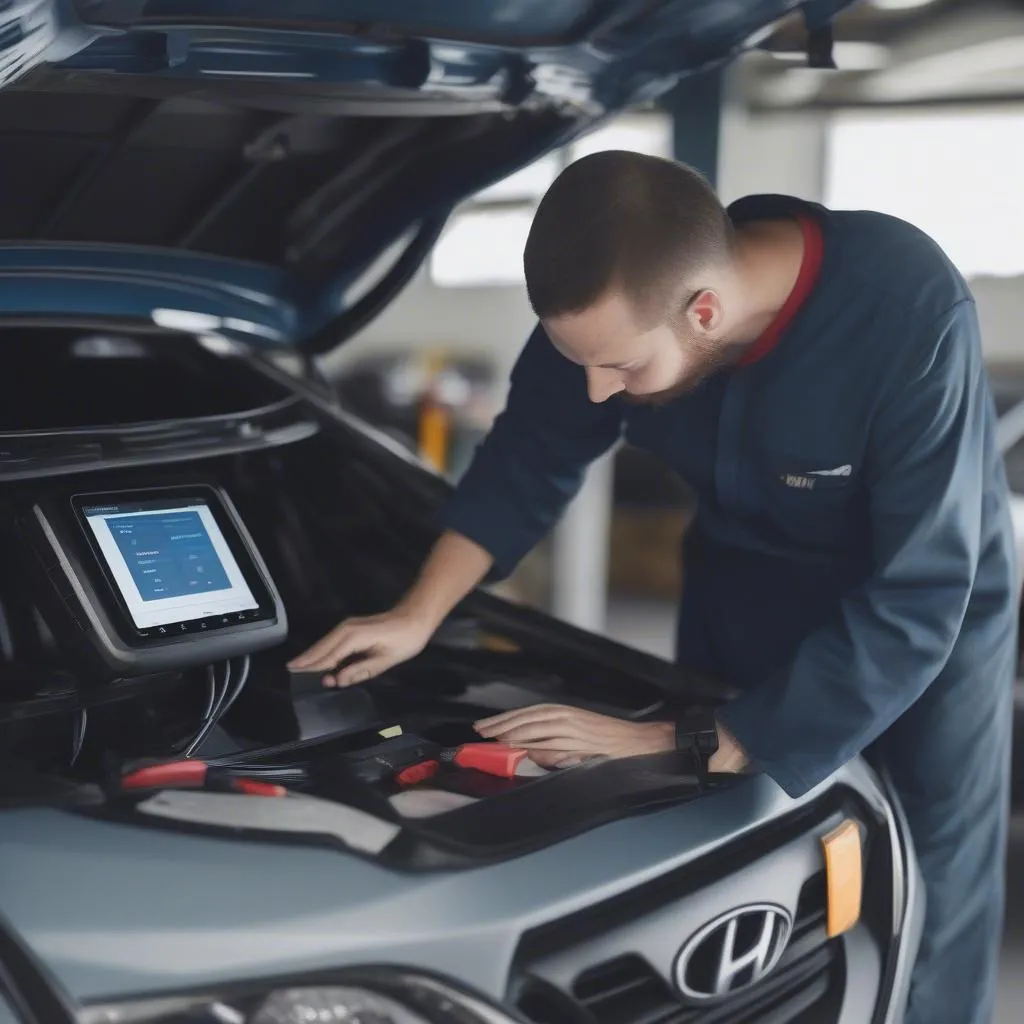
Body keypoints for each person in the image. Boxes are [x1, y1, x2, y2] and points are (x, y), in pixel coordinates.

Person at [290, 150, 1016, 1024]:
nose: (597, 388)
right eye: (582, 362)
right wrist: (417, 614)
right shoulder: (610, 308)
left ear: (704, 310)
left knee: (923, 881)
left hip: (925, 621)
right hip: (739, 588)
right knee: (721, 848)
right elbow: (527, 457)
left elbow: (920, 592)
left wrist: (677, 735)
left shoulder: (905, 309)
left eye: (622, 371)